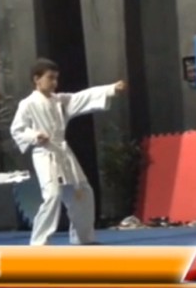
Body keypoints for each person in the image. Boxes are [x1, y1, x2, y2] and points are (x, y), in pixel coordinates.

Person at [10, 58, 126, 245]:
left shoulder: (60, 100)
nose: (54, 82)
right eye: (50, 78)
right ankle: (39, 243)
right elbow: (17, 130)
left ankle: (83, 237)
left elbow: (83, 97)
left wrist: (110, 89)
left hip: (63, 151)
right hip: (44, 153)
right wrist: (35, 136)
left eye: (56, 78)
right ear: (37, 79)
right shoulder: (28, 103)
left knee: (83, 192)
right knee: (53, 195)